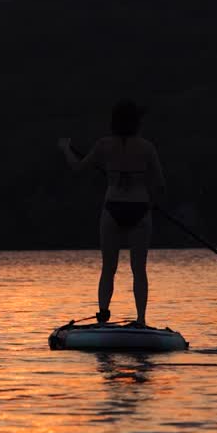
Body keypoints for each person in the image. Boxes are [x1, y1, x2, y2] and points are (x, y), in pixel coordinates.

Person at [58, 100, 166, 327]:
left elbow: (78, 168)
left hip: (112, 208)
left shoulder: (103, 145)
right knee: (139, 269)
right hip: (140, 208)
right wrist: (152, 202)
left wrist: (66, 148)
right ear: (136, 123)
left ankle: (104, 315)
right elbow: (160, 184)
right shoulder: (147, 147)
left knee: (109, 268)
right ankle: (141, 320)